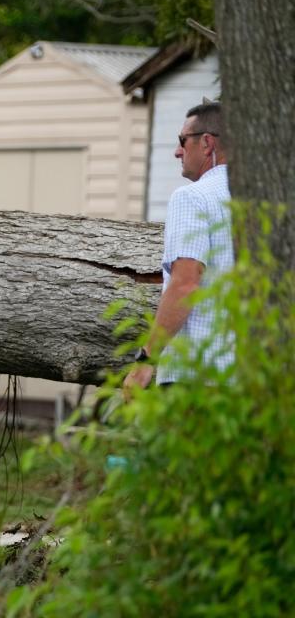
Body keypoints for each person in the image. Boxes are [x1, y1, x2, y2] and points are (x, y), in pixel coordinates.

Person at [124, 101, 234, 398]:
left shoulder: (192, 198)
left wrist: (147, 361)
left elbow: (185, 284)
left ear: (207, 143)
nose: (177, 151)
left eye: (182, 141)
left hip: (195, 375)